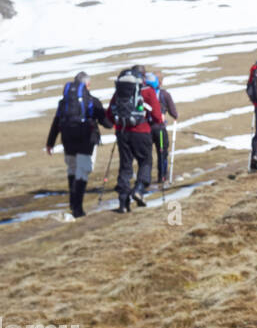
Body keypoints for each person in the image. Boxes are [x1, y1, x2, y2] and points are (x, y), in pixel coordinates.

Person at [45, 71, 114, 218]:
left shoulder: (63, 102)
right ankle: (78, 208)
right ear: (87, 85)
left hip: (67, 140)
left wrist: (50, 143)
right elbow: (106, 123)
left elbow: (56, 122)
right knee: (83, 171)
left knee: (72, 169)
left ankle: (72, 203)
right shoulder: (92, 101)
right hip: (86, 140)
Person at [107, 67, 163, 212]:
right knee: (145, 161)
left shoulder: (120, 91)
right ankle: (139, 189)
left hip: (122, 132)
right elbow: (157, 116)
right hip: (142, 131)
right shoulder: (148, 91)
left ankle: (123, 202)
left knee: (125, 165)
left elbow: (109, 114)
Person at [145, 71, 178, 184]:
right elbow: (174, 113)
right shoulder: (164, 94)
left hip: (146, 129)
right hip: (159, 128)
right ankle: (162, 176)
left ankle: (145, 179)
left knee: (147, 154)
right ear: (161, 82)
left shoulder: (143, 93)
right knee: (162, 152)